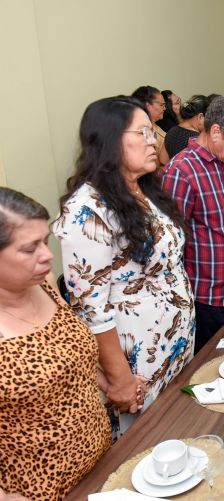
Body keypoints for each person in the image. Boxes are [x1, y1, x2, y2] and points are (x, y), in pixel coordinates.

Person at [54, 96, 194, 439]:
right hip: (136, 357)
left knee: (178, 434)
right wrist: (119, 378)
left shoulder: (145, 189)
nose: (154, 141)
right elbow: (91, 308)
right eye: (143, 133)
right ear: (111, 140)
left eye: (153, 132)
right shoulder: (87, 210)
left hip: (174, 340)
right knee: (144, 448)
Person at [0, 188, 111, 500]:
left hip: (102, 460)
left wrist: (111, 385)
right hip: (44, 491)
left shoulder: (45, 283)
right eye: (29, 248)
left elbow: (69, 353)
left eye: (44, 240)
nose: (47, 255)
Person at [162, 95, 224, 352]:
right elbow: (170, 245)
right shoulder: (181, 171)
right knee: (212, 367)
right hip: (208, 299)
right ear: (216, 131)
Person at [131, 85, 170, 167]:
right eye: (161, 105)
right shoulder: (136, 131)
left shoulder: (156, 127)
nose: (164, 108)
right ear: (147, 105)